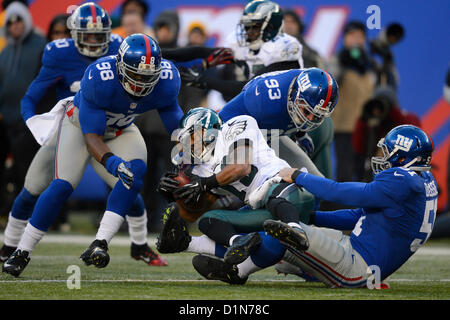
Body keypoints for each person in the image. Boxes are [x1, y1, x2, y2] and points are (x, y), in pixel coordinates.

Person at [1, 36, 181, 277]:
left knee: (134, 176)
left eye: (148, 77)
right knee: (62, 186)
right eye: (135, 75)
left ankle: (102, 243)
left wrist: (191, 152)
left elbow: (177, 126)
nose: (141, 83)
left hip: (120, 130)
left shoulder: (167, 81)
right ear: (120, 67)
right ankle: (22, 250)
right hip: (78, 128)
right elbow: (92, 137)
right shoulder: (101, 78)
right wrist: (112, 162)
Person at [193, 124, 438, 287]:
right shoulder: (423, 180)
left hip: (358, 266)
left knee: (286, 234)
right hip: (359, 252)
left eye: (388, 152)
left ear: (403, 156)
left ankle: (237, 272)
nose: (382, 157)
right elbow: (357, 216)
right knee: (290, 234)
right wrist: (312, 217)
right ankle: (201, 247)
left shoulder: (403, 182)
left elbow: (340, 192)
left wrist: (298, 175)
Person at [156, 68, 338, 266]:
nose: (191, 146)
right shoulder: (204, 168)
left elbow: (240, 167)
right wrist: (174, 192)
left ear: (209, 131)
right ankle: (231, 244)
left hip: (283, 192)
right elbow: (195, 206)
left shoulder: (239, 124)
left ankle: (297, 231)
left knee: (276, 193)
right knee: (209, 221)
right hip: (263, 208)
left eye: (193, 139)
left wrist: (203, 184)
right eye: (188, 141)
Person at [180, 0, 304, 101]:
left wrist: (205, 81)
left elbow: (248, 88)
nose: (248, 31)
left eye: (254, 26)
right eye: (247, 26)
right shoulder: (245, 51)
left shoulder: (285, 52)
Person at [0, 1, 47, 214]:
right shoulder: (6, 50)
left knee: (28, 171)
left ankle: (35, 215)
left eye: (18, 19)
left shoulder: (40, 45)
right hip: (6, 120)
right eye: (10, 22)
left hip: (30, 121)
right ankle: (11, 213)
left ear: (26, 20)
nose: (15, 25)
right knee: (12, 172)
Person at [327, 20, 376, 182]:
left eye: (360, 36)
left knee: (367, 169)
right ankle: (342, 205)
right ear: (344, 38)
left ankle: (367, 205)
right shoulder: (337, 60)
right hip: (344, 126)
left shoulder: (372, 63)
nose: (356, 39)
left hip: (367, 125)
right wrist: (343, 64)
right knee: (345, 170)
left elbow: (384, 86)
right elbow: (329, 83)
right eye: (352, 35)